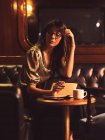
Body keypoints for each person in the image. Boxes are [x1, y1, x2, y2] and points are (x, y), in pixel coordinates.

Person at [20, 19, 76, 140]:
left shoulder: (57, 53)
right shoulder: (34, 53)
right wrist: (50, 93)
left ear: (61, 38)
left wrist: (73, 46)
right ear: (45, 34)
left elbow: (68, 73)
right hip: (32, 96)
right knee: (62, 110)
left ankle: (70, 135)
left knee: (75, 103)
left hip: (47, 92)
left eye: (57, 34)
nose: (53, 37)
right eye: (50, 33)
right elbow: (30, 89)